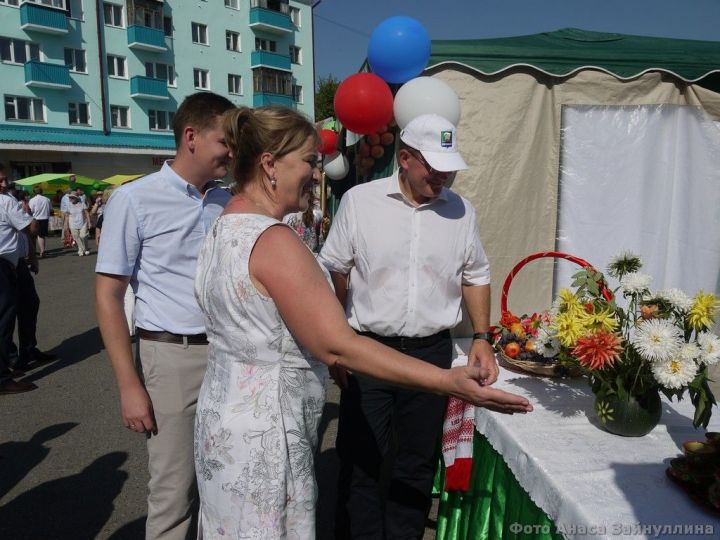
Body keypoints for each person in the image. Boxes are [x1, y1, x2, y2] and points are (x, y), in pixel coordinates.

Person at [192, 106, 532, 539]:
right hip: (267, 429)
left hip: (226, 417)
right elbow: (337, 344)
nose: (317, 174)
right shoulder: (276, 240)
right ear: (270, 165)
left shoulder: (224, 226)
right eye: (310, 162)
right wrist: (449, 382)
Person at [318, 113, 499, 539]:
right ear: (404, 158)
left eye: (449, 167)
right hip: (369, 350)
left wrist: (482, 337)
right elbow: (336, 271)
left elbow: (476, 274)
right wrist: (335, 342)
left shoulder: (462, 212)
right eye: (434, 167)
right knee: (363, 459)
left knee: (416, 463)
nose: (444, 177)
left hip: (431, 352)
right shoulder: (360, 202)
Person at [95, 91, 234, 540]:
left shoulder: (225, 201)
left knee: (226, 481)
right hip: (171, 358)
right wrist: (129, 385)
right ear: (191, 137)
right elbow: (108, 296)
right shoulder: (135, 200)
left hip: (229, 355)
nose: (232, 152)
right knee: (174, 493)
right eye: (224, 141)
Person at [0, 170, 38, 394]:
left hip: (14, 262)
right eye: (0, 181)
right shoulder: (6, 201)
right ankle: (3, 376)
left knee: (28, 304)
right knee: (4, 319)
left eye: (6, 180)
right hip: (4, 263)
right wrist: (27, 214)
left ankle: (22, 354)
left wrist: (31, 256)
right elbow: (30, 228)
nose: (4, 184)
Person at [64, 190, 91, 256]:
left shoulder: (82, 204)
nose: (70, 199)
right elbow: (67, 216)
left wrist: (89, 222)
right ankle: (81, 250)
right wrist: (66, 225)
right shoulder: (68, 205)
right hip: (72, 224)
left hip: (82, 223)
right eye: (70, 197)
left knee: (83, 236)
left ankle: (85, 249)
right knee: (76, 237)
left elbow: (87, 213)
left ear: (76, 198)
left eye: (72, 197)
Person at [28, 186, 52, 258]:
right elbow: (50, 209)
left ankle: (36, 251)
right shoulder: (47, 199)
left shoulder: (32, 200)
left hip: (35, 219)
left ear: (34, 192)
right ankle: (42, 250)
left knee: (34, 236)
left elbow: (31, 210)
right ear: (42, 191)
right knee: (42, 235)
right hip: (44, 218)